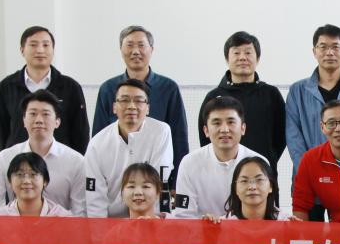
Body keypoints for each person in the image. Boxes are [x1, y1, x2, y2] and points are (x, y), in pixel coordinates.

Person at [286, 24, 340, 221]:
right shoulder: (297, 90)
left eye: (335, 47)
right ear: (314, 51)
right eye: (323, 47)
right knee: (308, 236)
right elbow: (293, 138)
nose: (329, 52)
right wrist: (310, 171)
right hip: (308, 180)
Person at [92, 25, 189, 180]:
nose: (135, 51)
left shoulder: (169, 88)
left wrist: (176, 182)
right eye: (130, 45)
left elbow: (179, 137)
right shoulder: (108, 89)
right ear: (121, 50)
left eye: (141, 45)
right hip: (115, 175)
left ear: (152, 50)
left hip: (156, 175)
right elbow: (99, 135)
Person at [0, 90, 86, 216]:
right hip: (16, 227)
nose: (39, 120)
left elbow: (80, 212)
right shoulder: (5, 158)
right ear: (24, 120)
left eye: (46, 114)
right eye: (33, 114)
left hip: (61, 227)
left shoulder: (76, 162)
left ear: (57, 121)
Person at [0, 26, 89, 153]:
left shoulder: (71, 87)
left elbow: (80, 132)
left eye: (46, 45)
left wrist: (73, 160)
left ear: (53, 50)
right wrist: (10, 157)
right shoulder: (6, 87)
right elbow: (0, 131)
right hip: (20, 161)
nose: (40, 50)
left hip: (60, 161)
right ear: (22, 50)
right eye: (33, 45)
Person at [84, 78, 173, 218]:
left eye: (139, 101)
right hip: (112, 221)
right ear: (114, 107)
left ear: (148, 108)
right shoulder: (97, 144)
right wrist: (100, 231)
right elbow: (95, 198)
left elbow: (158, 181)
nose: (131, 106)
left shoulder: (161, 132)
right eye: (124, 100)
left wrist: (153, 223)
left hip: (150, 218)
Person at [197, 31, 286, 167]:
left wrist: (268, 159)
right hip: (222, 171)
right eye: (236, 53)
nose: (242, 57)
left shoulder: (271, 94)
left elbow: (281, 136)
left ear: (258, 58)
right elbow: (206, 138)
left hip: (262, 172)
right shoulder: (214, 97)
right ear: (227, 59)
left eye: (248, 53)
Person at [172, 96, 264, 220]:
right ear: (206, 130)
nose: (224, 129)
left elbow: (266, 213)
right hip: (202, 231)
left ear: (243, 128)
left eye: (231, 122)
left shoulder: (259, 163)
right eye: (216, 123)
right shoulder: (189, 163)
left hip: (246, 231)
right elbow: (183, 216)